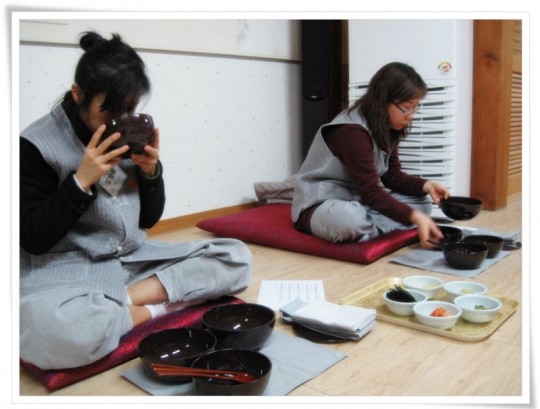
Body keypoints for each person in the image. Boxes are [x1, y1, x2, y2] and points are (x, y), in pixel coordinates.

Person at [19, 32, 252, 370]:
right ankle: (161, 306)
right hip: (66, 269)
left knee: (235, 257)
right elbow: (33, 239)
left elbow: (147, 220)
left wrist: (150, 173)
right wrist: (81, 181)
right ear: (78, 94)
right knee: (60, 330)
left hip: (129, 260)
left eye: (130, 108)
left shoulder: (128, 135)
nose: (121, 119)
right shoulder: (34, 145)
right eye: (110, 110)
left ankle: (128, 306)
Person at [292, 62, 449, 249]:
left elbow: (392, 175)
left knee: (422, 203)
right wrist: (413, 217)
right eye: (407, 108)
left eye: (415, 108)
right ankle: (368, 227)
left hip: (358, 200)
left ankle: (367, 229)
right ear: (384, 100)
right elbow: (370, 191)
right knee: (350, 221)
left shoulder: (386, 125)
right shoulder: (351, 131)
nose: (411, 115)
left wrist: (426, 185)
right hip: (321, 203)